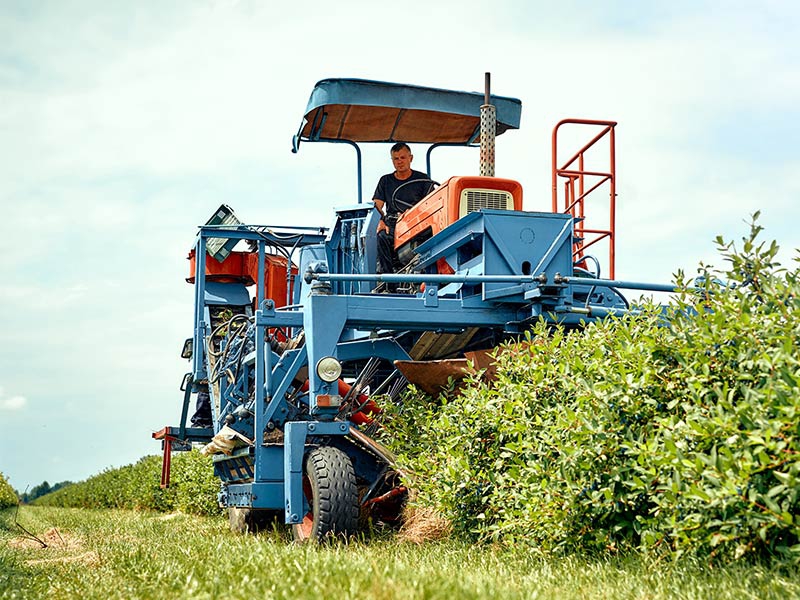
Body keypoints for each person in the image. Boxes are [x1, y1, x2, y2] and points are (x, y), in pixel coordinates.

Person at [373, 142, 434, 274]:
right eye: (396, 159)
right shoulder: (385, 181)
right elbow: (377, 206)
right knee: (382, 236)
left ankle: (430, 274)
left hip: (417, 222)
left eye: (402, 158)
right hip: (393, 223)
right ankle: (387, 281)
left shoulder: (422, 179)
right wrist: (380, 221)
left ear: (410, 158)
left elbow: (430, 204)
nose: (399, 162)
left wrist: (413, 213)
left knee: (433, 234)